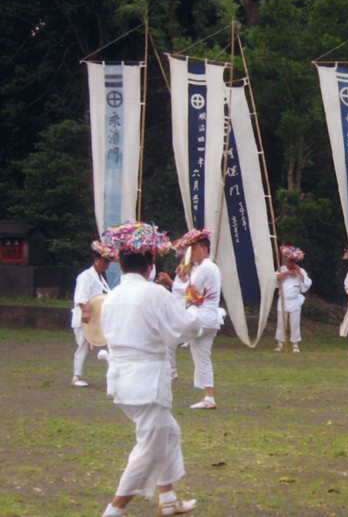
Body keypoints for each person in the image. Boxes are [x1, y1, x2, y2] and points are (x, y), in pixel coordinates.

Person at [99, 221, 202, 517]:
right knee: (148, 448)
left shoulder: (112, 297)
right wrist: (193, 306)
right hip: (146, 382)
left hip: (122, 380)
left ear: (120, 262)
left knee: (169, 433)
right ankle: (114, 510)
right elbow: (185, 327)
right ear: (150, 262)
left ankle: (167, 498)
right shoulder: (153, 293)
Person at [173, 229, 224, 409]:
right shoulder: (204, 268)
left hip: (201, 318)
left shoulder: (205, 267)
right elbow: (193, 290)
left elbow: (190, 291)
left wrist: (174, 281)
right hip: (209, 319)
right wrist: (183, 278)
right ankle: (209, 397)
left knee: (170, 336)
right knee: (202, 358)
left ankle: (170, 371)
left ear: (204, 249)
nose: (191, 253)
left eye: (194, 249)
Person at [69, 240, 117, 387]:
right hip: (85, 316)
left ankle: (114, 374)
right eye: (104, 262)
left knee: (109, 342)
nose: (106, 265)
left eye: (108, 262)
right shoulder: (86, 276)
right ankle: (76, 376)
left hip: (96, 317)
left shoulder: (100, 277)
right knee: (82, 345)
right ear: (96, 260)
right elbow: (81, 296)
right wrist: (85, 311)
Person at [274, 245, 312, 353]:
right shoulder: (282, 269)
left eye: (291, 262)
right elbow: (276, 278)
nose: (288, 264)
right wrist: (287, 273)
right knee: (281, 323)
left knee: (295, 323)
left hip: (294, 300)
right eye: (287, 262)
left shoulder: (300, 271)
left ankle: (295, 344)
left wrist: (298, 273)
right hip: (283, 300)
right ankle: (280, 344)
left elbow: (307, 283)